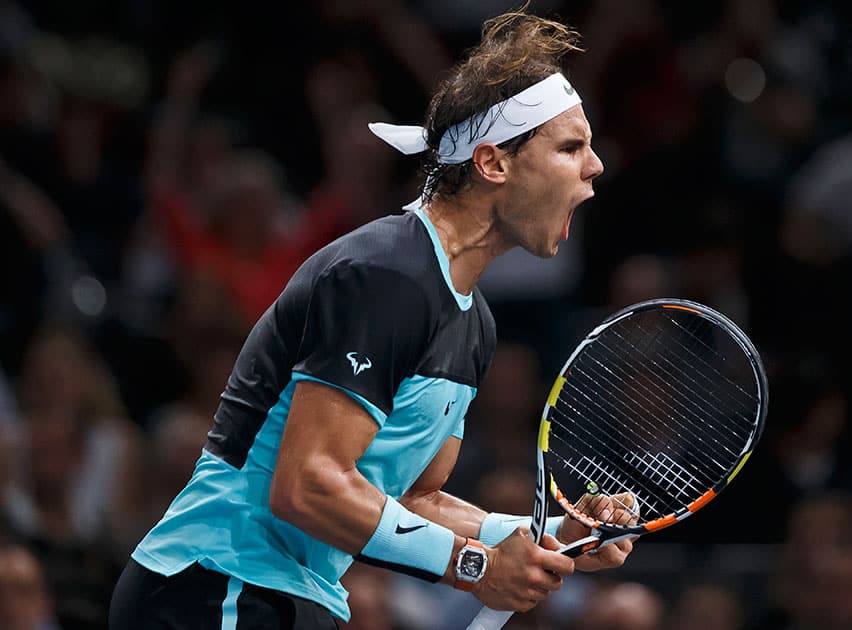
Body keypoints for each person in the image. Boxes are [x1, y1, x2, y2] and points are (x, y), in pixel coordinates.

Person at [109, 10, 629, 629]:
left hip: (291, 596)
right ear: (494, 164)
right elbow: (308, 486)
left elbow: (413, 500)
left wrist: (544, 532)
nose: (596, 166)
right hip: (215, 584)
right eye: (571, 147)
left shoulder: (474, 324)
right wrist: (475, 566)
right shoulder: (386, 274)